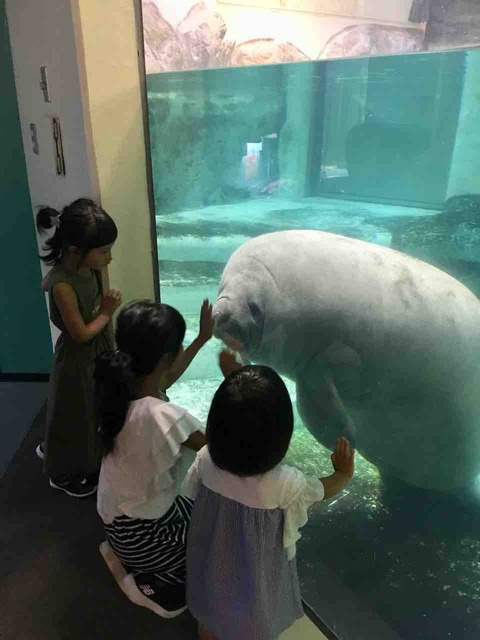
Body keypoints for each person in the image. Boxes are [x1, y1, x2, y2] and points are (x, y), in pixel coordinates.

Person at [183, 351, 355, 640]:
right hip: (254, 580)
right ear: (281, 436)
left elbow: (237, 427)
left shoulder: (205, 458)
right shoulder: (284, 484)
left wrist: (233, 383)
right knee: (254, 624)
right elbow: (323, 490)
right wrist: (343, 473)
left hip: (209, 566)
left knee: (209, 615)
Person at [95, 299, 214, 618]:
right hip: (145, 539)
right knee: (217, 539)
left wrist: (202, 338)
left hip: (118, 524)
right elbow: (220, 449)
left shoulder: (122, 393)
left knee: (193, 504)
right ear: (165, 358)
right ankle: (157, 589)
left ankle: (125, 558)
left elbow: (166, 378)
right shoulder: (166, 418)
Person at [36, 198, 121, 498]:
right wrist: (107, 312)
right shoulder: (62, 285)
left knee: (84, 412)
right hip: (77, 360)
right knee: (76, 411)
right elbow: (81, 334)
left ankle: (56, 447)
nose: (108, 258)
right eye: (104, 251)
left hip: (97, 352)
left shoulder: (89, 267)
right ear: (75, 249)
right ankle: (61, 474)